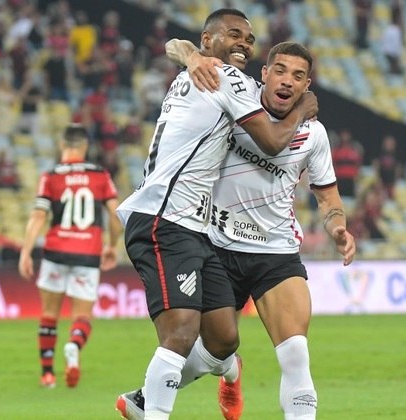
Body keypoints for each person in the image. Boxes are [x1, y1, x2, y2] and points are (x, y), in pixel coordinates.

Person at [114, 9, 317, 420]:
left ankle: (226, 370)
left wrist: (188, 53)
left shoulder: (199, 71)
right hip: (163, 217)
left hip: (196, 228)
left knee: (223, 337)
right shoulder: (227, 78)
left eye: (250, 38)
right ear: (209, 41)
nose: (244, 42)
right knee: (181, 332)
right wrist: (303, 109)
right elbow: (275, 141)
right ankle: (148, 410)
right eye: (234, 35)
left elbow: (177, 44)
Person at [176, 40, 356, 419]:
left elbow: (329, 199)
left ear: (307, 86)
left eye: (298, 75)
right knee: (215, 348)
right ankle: (227, 370)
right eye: (280, 70)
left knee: (295, 354)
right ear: (264, 73)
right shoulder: (234, 105)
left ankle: (148, 398)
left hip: (275, 252)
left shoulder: (315, 135)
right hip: (216, 247)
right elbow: (176, 45)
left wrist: (338, 227)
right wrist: (191, 56)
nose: (287, 81)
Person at [18, 123, 122, 389]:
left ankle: (47, 375)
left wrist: (26, 252)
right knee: (83, 317)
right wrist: (112, 245)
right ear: (85, 147)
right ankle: (74, 346)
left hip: (55, 252)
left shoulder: (51, 176)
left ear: (62, 146)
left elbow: (38, 215)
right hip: (87, 254)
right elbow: (115, 214)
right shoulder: (100, 175)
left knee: (49, 314)